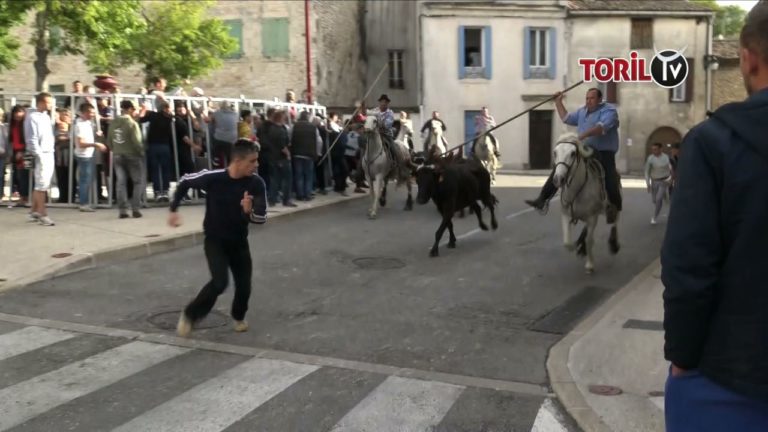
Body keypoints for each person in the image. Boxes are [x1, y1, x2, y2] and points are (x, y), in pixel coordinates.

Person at [662, 4, 768, 431]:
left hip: (732, 376)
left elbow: (689, 267)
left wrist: (683, 358)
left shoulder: (711, 143)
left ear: (746, 57)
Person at [170, 138, 267, 337]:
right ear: (238, 161)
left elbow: (261, 218)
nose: (256, 165)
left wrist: (247, 212)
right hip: (215, 240)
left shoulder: (256, 183)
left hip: (239, 242)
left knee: (244, 286)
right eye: (252, 161)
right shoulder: (213, 178)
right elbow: (185, 181)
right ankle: (190, 315)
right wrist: (173, 210)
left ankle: (238, 316)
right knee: (219, 282)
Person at [524, 88, 621, 223]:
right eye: (587, 98)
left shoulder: (609, 111)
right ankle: (542, 199)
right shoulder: (582, 111)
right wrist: (558, 102)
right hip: (584, 148)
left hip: (604, 152)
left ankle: (614, 206)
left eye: (592, 98)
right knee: (561, 166)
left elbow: (601, 128)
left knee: (611, 179)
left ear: (600, 100)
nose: (588, 101)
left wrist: (582, 135)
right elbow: (566, 118)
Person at [24, 92, 57, 226]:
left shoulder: (45, 116)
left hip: (49, 151)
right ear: (41, 102)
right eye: (48, 102)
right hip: (42, 154)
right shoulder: (32, 117)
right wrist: (39, 155)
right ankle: (43, 214)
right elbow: (31, 138)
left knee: (43, 183)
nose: (51, 105)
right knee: (41, 185)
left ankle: (34, 211)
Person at [644, 142, 672, 225]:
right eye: (652, 149)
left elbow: (671, 169)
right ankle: (664, 195)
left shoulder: (666, 157)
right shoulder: (650, 158)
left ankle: (654, 217)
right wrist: (648, 183)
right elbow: (647, 171)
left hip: (664, 181)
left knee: (658, 199)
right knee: (654, 200)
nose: (654, 151)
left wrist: (671, 179)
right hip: (654, 181)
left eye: (655, 149)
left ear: (660, 149)